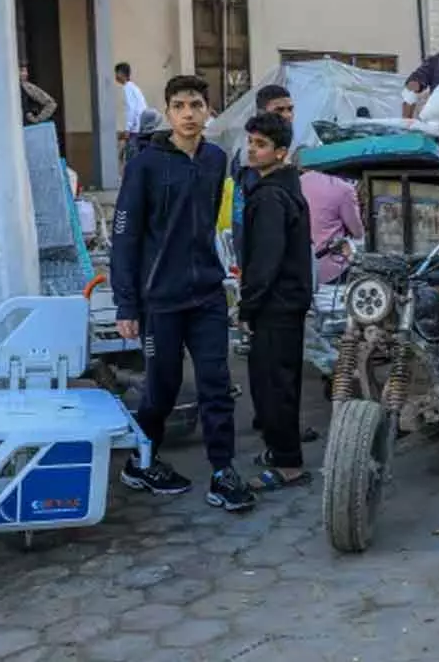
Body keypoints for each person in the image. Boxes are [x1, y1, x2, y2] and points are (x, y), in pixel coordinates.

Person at [110, 75, 256, 512]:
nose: (189, 114)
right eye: (179, 106)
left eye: (196, 104)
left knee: (216, 384)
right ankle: (142, 460)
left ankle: (222, 471)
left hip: (206, 293)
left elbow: (212, 219)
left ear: (209, 110)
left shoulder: (215, 159)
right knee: (163, 387)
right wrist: (126, 302)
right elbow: (125, 237)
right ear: (168, 112)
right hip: (160, 298)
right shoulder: (145, 165)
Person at [238, 112, 315, 492]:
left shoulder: (271, 196)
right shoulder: (283, 187)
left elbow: (265, 261)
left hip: (276, 303)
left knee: (274, 385)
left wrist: (247, 307)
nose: (252, 150)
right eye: (251, 142)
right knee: (280, 381)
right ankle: (280, 451)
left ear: (281, 152)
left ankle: (288, 465)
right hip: (286, 301)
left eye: (261, 144)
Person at [231, 85, 295, 266]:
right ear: (261, 112)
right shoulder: (253, 160)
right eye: (279, 110)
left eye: (290, 109)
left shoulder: (281, 146)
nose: (287, 115)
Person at [302, 168, 364, 287]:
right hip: (331, 268)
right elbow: (357, 232)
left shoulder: (300, 181)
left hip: (301, 267)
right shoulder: (344, 189)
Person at [115, 62, 149, 152]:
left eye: (116, 73)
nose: (115, 76)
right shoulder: (134, 87)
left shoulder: (128, 88)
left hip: (135, 130)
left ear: (121, 73)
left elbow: (131, 109)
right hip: (140, 128)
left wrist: (127, 129)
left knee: (131, 158)